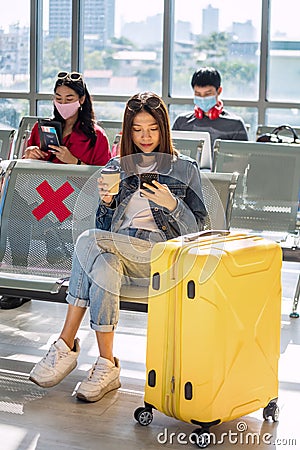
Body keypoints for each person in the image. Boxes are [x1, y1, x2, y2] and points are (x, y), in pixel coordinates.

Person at [29, 91, 207, 403]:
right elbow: (104, 229)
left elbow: (202, 230)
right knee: (103, 265)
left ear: (163, 129)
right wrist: (108, 202)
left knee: (87, 241)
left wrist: (174, 205)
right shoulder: (116, 166)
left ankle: (65, 343)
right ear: (128, 131)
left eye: (152, 128)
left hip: (160, 260)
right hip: (118, 256)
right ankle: (107, 365)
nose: (146, 136)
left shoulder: (185, 169)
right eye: (137, 129)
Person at [0, 71, 111, 310]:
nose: (62, 104)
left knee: (23, 204)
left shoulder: (96, 136)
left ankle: (49, 230)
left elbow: (105, 177)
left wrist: (76, 162)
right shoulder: (43, 129)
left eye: (69, 98)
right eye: (58, 98)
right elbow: (28, 169)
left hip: (77, 199)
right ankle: (18, 279)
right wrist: (29, 155)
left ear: (81, 100)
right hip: (39, 199)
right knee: (17, 199)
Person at [172, 67, 248, 145]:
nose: (202, 98)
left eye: (207, 94)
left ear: (219, 91)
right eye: (197, 94)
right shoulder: (181, 122)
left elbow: (242, 156)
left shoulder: (235, 124)